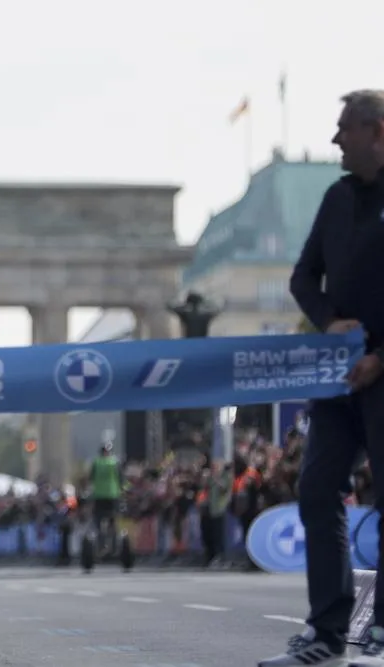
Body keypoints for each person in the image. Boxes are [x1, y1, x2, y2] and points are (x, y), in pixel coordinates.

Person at [259, 89, 384, 667]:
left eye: (344, 128)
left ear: (376, 132)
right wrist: (330, 320)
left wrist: (381, 356)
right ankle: (327, 633)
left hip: (382, 371)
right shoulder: (338, 197)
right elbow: (303, 277)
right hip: (339, 378)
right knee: (316, 488)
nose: (335, 139)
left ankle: (380, 629)